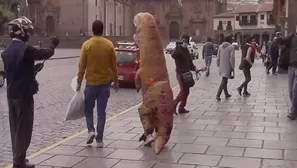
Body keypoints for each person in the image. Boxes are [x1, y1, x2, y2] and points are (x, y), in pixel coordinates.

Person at [1, 16, 59, 168]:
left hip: (11, 95)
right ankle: (18, 163)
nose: (29, 35)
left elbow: (15, 72)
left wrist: (32, 70)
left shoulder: (6, 51)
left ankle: (19, 158)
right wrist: (53, 45)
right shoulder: (25, 49)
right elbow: (45, 53)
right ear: (22, 32)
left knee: (15, 128)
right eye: (27, 31)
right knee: (24, 129)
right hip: (24, 95)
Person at [76, 20, 119, 147]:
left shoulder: (87, 45)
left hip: (91, 84)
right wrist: (116, 81)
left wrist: (79, 82)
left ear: (92, 29)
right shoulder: (109, 45)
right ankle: (99, 139)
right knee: (101, 112)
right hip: (105, 84)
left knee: (88, 110)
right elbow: (113, 66)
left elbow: (82, 66)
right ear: (103, 29)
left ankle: (91, 130)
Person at [172, 34, 199, 114]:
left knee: (186, 92)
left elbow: (189, 62)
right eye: (184, 42)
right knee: (183, 91)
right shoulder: (178, 50)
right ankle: (174, 104)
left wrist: (195, 69)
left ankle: (181, 108)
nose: (185, 43)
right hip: (180, 73)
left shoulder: (186, 50)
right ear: (182, 41)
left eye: (186, 42)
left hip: (187, 73)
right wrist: (178, 46)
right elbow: (173, 55)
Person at [280, 33, 297, 120]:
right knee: (291, 91)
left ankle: (293, 111)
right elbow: (281, 42)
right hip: (291, 66)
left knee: (295, 90)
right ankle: (295, 109)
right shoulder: (292, 38)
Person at [216, 35, 235, 101]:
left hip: (221, 65)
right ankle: (218, 94)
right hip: (227, 65)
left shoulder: (220, 46)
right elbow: (232, 58)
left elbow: (218, 56)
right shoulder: (231, 47)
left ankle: (226, 93)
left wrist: (218, 63)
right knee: (224, 80)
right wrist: (232, 66)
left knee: (225, 79)